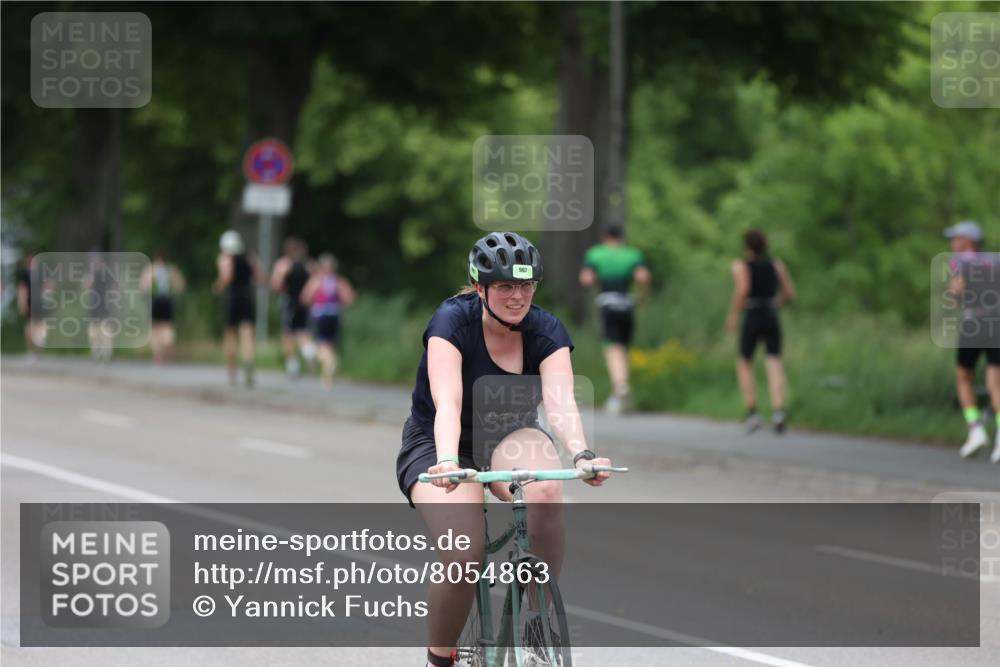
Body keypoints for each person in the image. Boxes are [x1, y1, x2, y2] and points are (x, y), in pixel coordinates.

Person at [396, 232, 613, 667]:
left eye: (526, 285)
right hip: (440, 440)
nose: (518, 297)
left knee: (547, 491)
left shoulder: (546, 330)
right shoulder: (450, 323)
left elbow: (560, 402)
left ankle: (537, 620)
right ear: (480, 288)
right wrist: (446, 462)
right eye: (505, 287)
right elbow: (448, 402)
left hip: (510, 435)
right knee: (463, 554)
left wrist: (582, 455)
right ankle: (440, 659)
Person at [725, 229, 796, 434]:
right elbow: (789, 293)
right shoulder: (776, 265)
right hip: (771, 314)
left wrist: (733, 315)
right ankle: (778, 411)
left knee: (745, 362)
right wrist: (776, 303)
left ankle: (753, 411)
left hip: (753, 313)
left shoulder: (740, 266)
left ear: (746, 246)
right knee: (774, 362)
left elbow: (743, 289)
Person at [578, 224, 651, 414]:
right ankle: (621, 390)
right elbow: (643, 277)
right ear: (621, 237)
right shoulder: (633, 255)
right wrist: (641, 296)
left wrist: (595, 282)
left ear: (605, 236)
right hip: (627, 304)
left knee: (612, 346)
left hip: (607, 302)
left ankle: (620, 387)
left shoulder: (596, 254)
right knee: (624, 347)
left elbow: (586, 278)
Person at [945, 221, 1000, 462]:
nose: (952, 243)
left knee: (964, 377)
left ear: (967, 240)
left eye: (955, 238)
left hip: (973, 323)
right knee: (995, 383)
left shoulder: (960, 262)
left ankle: (975, 429)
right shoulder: (996, 261)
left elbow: (956, 293)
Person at [213, 230, 260, 387]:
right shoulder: (249, 258)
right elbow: (259, 275)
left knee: (231, 335)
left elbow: (227, 276)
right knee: (247, 334)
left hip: (233, 298)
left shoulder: (225, 258)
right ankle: (248, 362)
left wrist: (217, 287)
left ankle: (232, 370)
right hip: (247, 297)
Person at [300, 253, 355, 388]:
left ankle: (329, 363)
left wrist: (314, 303)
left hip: (320, 316)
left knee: (321, 345)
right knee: (331, 345)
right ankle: (327, 378)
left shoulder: (316, 280)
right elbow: (350, 298)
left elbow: (305, 297)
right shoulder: (339, 281)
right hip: (335, 315)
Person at [270, 237, 315, 378]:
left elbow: (276, 285)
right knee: (303, 331)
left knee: (288, 333)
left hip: (289, 301)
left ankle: (292, 365)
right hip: (305, 303)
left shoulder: (283, 265)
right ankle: (310, 352)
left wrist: (282, 289)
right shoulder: (309, 266)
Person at [140, 251, 186, 363]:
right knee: (167, 326)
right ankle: (166, 346)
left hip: (155, 299)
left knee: (155, 329)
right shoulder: (171, 269)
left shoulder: (151, 269)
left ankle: (157, 354)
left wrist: (145, 295)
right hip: (167, 300)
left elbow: (143, 286)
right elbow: (181, 286)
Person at [15, 254, 48, 359]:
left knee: (41, 324)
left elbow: (47, 286)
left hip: (39, 303)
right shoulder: (25, 274)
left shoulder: (40, 274)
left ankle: (39, 346)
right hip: (30, 303)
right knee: (30, 326)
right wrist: (22, 303)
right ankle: (33, 349)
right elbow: (22, 289)